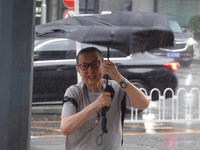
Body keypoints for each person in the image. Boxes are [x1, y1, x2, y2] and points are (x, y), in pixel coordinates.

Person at [60, 47, 149, 150]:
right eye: (84, 66)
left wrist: (118, 77)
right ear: (78, 70)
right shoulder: (74, 92)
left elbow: (144, 103)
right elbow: (66, 128)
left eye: (95, 64)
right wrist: (95, 105)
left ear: (103, 65)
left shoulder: (115, 88)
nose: (91, 70)